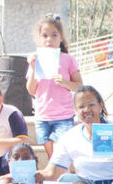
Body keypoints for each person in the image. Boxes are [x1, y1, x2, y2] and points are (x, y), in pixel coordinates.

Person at [26, 15, 82, 159]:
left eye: (54, 35)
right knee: (52, 156)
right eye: (45, 35)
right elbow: (31, 90)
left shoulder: (68, 59)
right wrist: (33, 68)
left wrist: (65, 82)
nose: (49, 39)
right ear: (39, 38)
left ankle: (62, 173)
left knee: (60, 154)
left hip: (63, 116)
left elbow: (79, 86)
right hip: (42, 116)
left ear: (61, 37)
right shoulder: (35, 59)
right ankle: (56, 174)